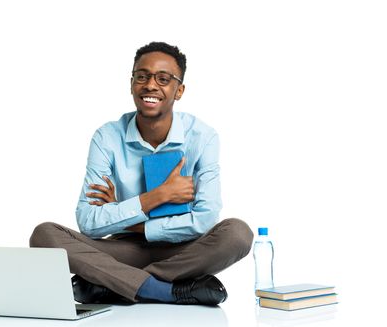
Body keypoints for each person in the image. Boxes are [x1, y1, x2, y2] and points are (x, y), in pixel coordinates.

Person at [30, 42, 254, 305]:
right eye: (142, 76)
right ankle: (166, 290)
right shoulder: (107, 137)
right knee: (44, 235)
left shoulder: (202, 137)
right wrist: (158, 196)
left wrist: (128, 218)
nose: (150, 85)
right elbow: (88, 223)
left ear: (178, 90)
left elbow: (204, 220)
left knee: (238, 234)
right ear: (132, 84)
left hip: (186, 252)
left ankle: (116, 283)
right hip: (124, 250)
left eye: (163, 79)